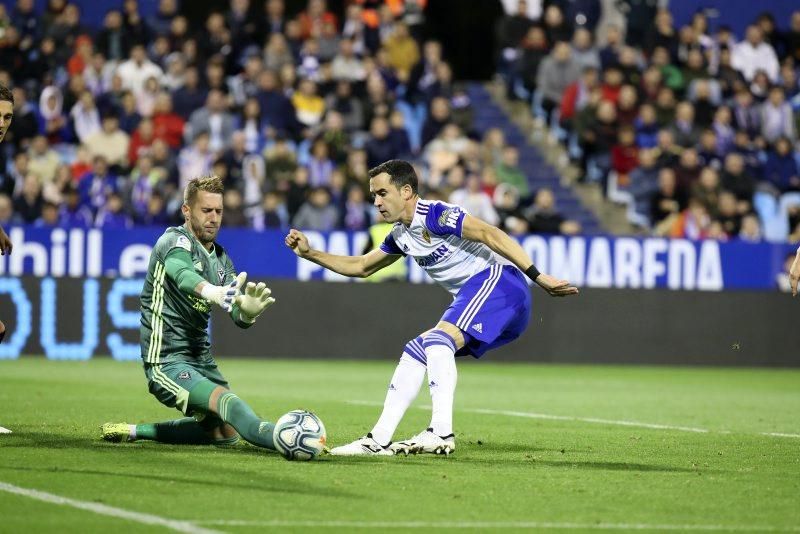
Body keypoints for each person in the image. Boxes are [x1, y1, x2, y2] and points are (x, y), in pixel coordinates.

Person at [285, 160, 579, 456]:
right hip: (488, 300)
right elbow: (361, 266)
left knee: (438, 340)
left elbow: (492, 234)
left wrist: (539, 277)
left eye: (383, 193)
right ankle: (378, 440)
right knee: (418, 350)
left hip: (500, 283)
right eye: (373, 195)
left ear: (407, 191)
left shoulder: (435, 215)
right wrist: (310, 254)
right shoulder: (401, 235)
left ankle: (441, 432)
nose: (376, 202)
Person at [101, 176, 279, 450]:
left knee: (226, 432)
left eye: (218, 211)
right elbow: (183, 275)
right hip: (167, 360)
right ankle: (283, 439)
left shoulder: (220, 259)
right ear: (187, 210)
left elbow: (235, 312)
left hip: (201, 359)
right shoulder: (173, 241)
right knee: (228, 403)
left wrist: (247, 313)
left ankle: (136, 431)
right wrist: (212, 291)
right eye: (206, 210)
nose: (214, 218)